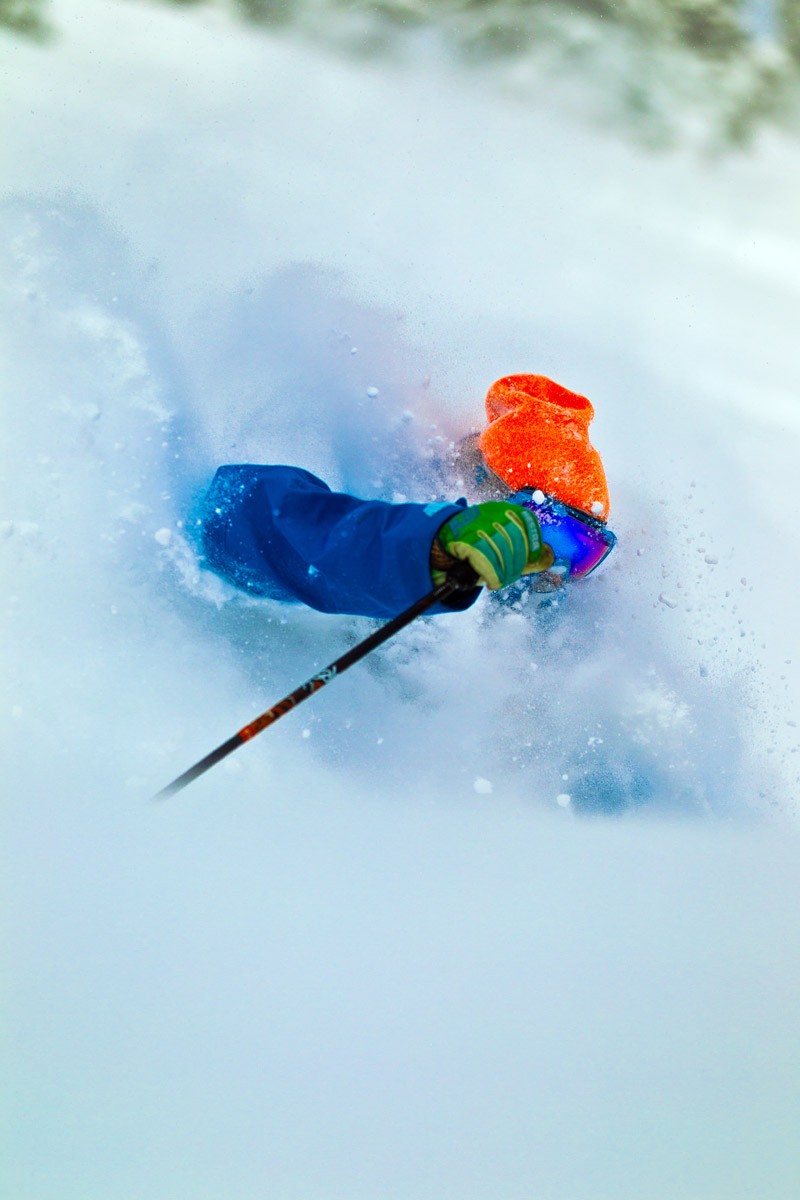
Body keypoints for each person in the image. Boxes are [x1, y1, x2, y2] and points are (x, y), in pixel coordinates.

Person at [198, 374, 616, 619]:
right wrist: (433, 551)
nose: (550, 568)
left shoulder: (534, 618)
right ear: (478, 488)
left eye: (583, 552)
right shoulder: (374, 482)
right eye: (545, 533)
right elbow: (240, 514)